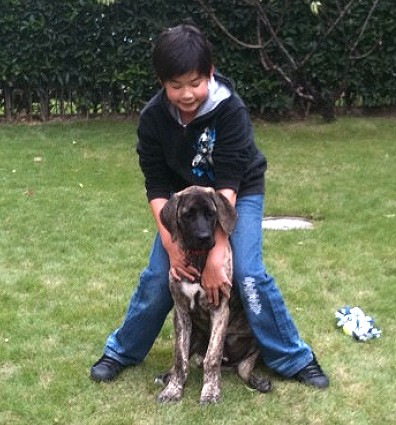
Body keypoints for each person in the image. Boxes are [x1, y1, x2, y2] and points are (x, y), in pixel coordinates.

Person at [91, 24, 329, 389]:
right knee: (160, 276)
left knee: (247, 273)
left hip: (236, 194)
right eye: (176, 85)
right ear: (161, 82)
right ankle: (122, 351)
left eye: (195, 83)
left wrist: (218, 252)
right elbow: (156, 187)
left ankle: (293, 357)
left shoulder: (230, 110)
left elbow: (228, 185)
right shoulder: (153, 119)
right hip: (184, 207)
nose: (187, 94)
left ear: (211, 73)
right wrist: (173, 247)